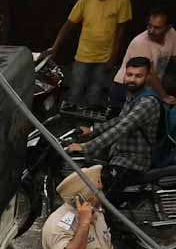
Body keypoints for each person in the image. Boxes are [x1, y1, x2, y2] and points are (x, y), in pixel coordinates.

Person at [69, 56, 161, 191]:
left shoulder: (147, 102)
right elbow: (120, 119)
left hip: (132, 161)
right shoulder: (133, 95)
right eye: (129, 74)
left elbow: (122, 128)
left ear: (147, 78)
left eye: (138, 76)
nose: (132, 79)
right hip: (118, 153)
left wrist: (86, 147)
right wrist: (93, 130)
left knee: (97, 194)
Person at [50, 0, 133, 111]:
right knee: (76, 87)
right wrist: (55, 47)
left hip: (104, 57)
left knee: (95, 91)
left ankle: (88, 123)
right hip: (83, 55)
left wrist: (113, 57)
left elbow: (121, 32)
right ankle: (69, 118)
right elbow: (68, 25)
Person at [112, 8, 176, 108]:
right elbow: (150, 75)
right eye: (149, 26)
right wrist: (164, 96)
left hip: (148, 88)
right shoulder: (140, 42)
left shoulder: (172, 33)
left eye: (157, 27)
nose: (151, 30)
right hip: (128, 87)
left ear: (168, 28)